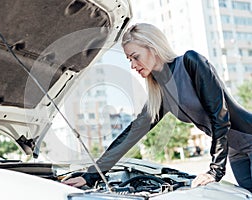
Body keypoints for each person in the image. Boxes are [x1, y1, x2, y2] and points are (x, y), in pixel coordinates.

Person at [63, 23, 252, 192]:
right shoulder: (160, 92)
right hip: (235, 151)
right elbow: (131, 134)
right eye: (129, 59)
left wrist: (214, 171)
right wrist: (91, 175)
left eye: (135, 57)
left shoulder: (191, 62)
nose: (132, 65)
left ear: (152, 48)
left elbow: (220, 117)